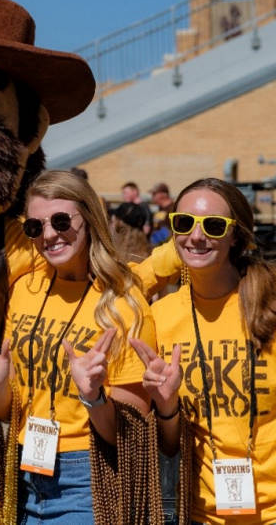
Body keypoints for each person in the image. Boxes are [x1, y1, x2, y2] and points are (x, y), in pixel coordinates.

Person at [0, 170, 161, 524]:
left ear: (90, 218)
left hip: (85, 478)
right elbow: (8, 412)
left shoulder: (123, 305)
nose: (49, 234)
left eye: (61, 220)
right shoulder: (24, 290)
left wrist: (93, 395)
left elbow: (127, 435)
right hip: (21, 470)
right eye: (35, 227)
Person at [130, 177, 276, 524]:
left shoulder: (268, 306)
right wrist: (166, 407)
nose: (196, 236)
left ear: (235, 235)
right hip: (201, 513)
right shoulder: (160, 318)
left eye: (212, 226)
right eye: (183, 223)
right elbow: (169, 444)